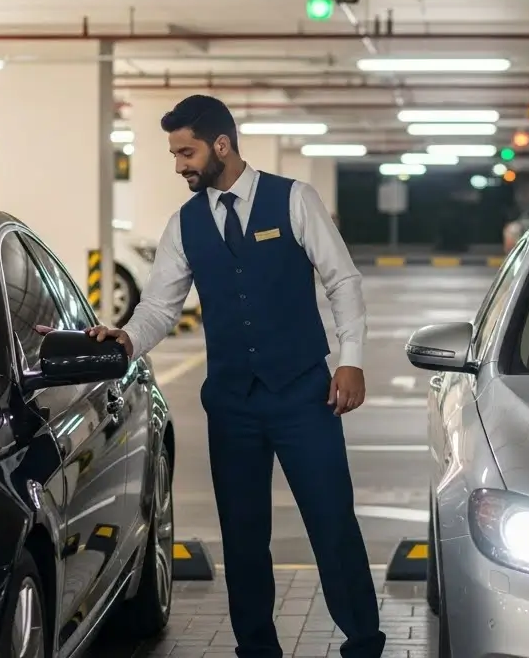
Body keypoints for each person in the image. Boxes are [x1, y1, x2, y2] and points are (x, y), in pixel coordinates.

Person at [87, 94, 384, 658]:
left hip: (304, 394)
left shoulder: (294, 199)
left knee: (332, 525)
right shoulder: (184, 224)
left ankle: (364, 643)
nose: (179, 165)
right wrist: (126, 338)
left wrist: (351, 359)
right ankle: (257, 649)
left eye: (187, 152)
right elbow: (159, 309)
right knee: (244, 539)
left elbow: (342, 279)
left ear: (221, 145)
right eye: (175, 155)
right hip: (231, 404)